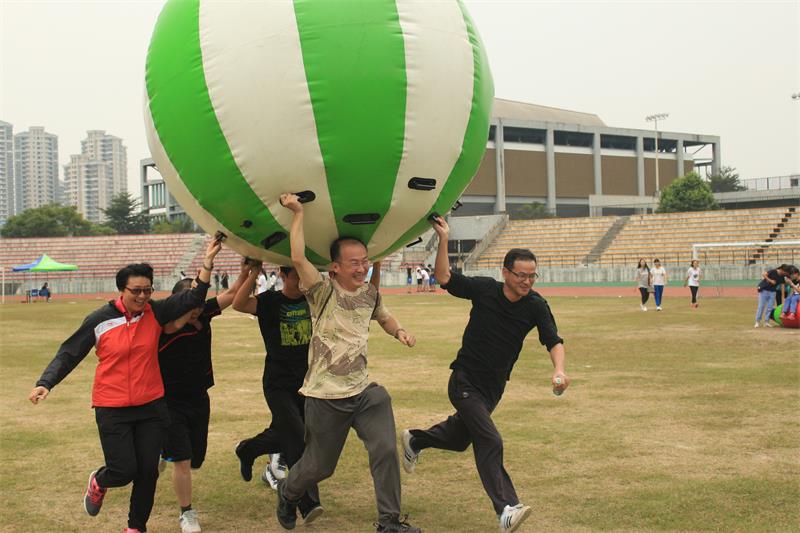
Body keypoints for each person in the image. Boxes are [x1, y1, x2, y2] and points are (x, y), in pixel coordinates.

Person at [27, 237, 221, 533]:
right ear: (122, 290)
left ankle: (135, 527)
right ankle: (99, 480)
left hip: (152, 406)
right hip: (112, 407)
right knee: (124, 470)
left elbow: (193, 299)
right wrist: (46, 382)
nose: (143, 296)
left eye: (147, 290)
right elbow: (70, 352)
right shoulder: (101, 320)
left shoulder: (155, 312)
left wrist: (207, 263)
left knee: (147, 472)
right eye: (136, 291)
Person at [401, 215, 568, 533]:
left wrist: (559, 370)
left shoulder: (535, 305)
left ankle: (416, 439)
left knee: (461, 438)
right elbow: (445, 278)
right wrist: (445, 239)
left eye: (532, 276)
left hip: (493, 388)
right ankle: (506, 508)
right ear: (505, 272)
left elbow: (553, 340)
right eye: (521, 275)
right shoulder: (484, 289)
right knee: (489, 438)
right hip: (464, 379)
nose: (527, 282)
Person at [275, 192, 421, 533]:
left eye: (365, 261)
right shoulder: (321, 291)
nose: (362, 267)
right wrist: (297, 213)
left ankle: (389, 523)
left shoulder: (370, 293)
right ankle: (288, 490)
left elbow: (382, 316)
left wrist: (399, 331)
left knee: (385, 450)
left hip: (364, 391)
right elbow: (298, 258)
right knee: (320, 467)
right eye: (354, 262)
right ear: (335, 267)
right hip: (325, 395)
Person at [157, 260, 248, 533]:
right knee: (183, 460)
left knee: (195, 460)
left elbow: (231, 295)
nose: (197, 311)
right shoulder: (162, 327)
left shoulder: (203, 314)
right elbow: (172, 326)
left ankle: (163, 451)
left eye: (199, 306)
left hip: (199, 398)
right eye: (191, 305)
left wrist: (249, 271)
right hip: (170, 402)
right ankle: (187, 513)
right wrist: (186, 311)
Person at [232, 262, 323, 525]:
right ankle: (306, 502)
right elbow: (239, 303)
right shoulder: (270, 301)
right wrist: (253, 273)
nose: (302, 281)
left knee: (287, 433)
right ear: (282, 275)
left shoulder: (311, 299)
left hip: (305, 381)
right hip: (277, 383)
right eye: (296, 276)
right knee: (297, 437)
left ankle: (248, 449)